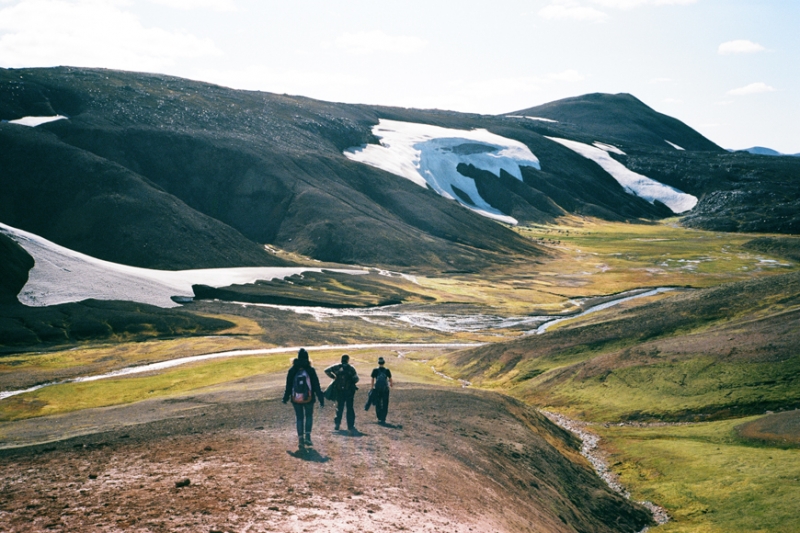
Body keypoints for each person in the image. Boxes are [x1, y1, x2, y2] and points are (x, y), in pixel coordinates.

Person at [282, 348, 324, 448]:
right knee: (309, 416)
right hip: (309, 398)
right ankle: (308, 437)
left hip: (295, 398)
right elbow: (316, 385)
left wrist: (285, 397)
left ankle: (300, 439)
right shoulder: (310, 370)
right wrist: (320, 398)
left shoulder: (292, 370)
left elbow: (288, 386)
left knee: (299, 417)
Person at [325, 354, 359, 435]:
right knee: (350, 408)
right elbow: (356, 379)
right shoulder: (351, 368)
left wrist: (334, 377)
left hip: (339, 390)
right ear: (348, 360)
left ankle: (337, 424)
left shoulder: (336, 367)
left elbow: (326, 370)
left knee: (339, 407)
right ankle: (350, 425)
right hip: (349, 391)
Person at [370, 356, 393, 424]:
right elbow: (390, 379)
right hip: (385, 389)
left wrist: (372, 387)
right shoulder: (387, 370)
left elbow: (372, 379)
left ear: (378, 363)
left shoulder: (375, 370)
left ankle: (379, 417)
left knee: (378, 403)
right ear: (384, 363)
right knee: (385, 403)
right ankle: (383, 418)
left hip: (377, 389)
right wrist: (391, 384)